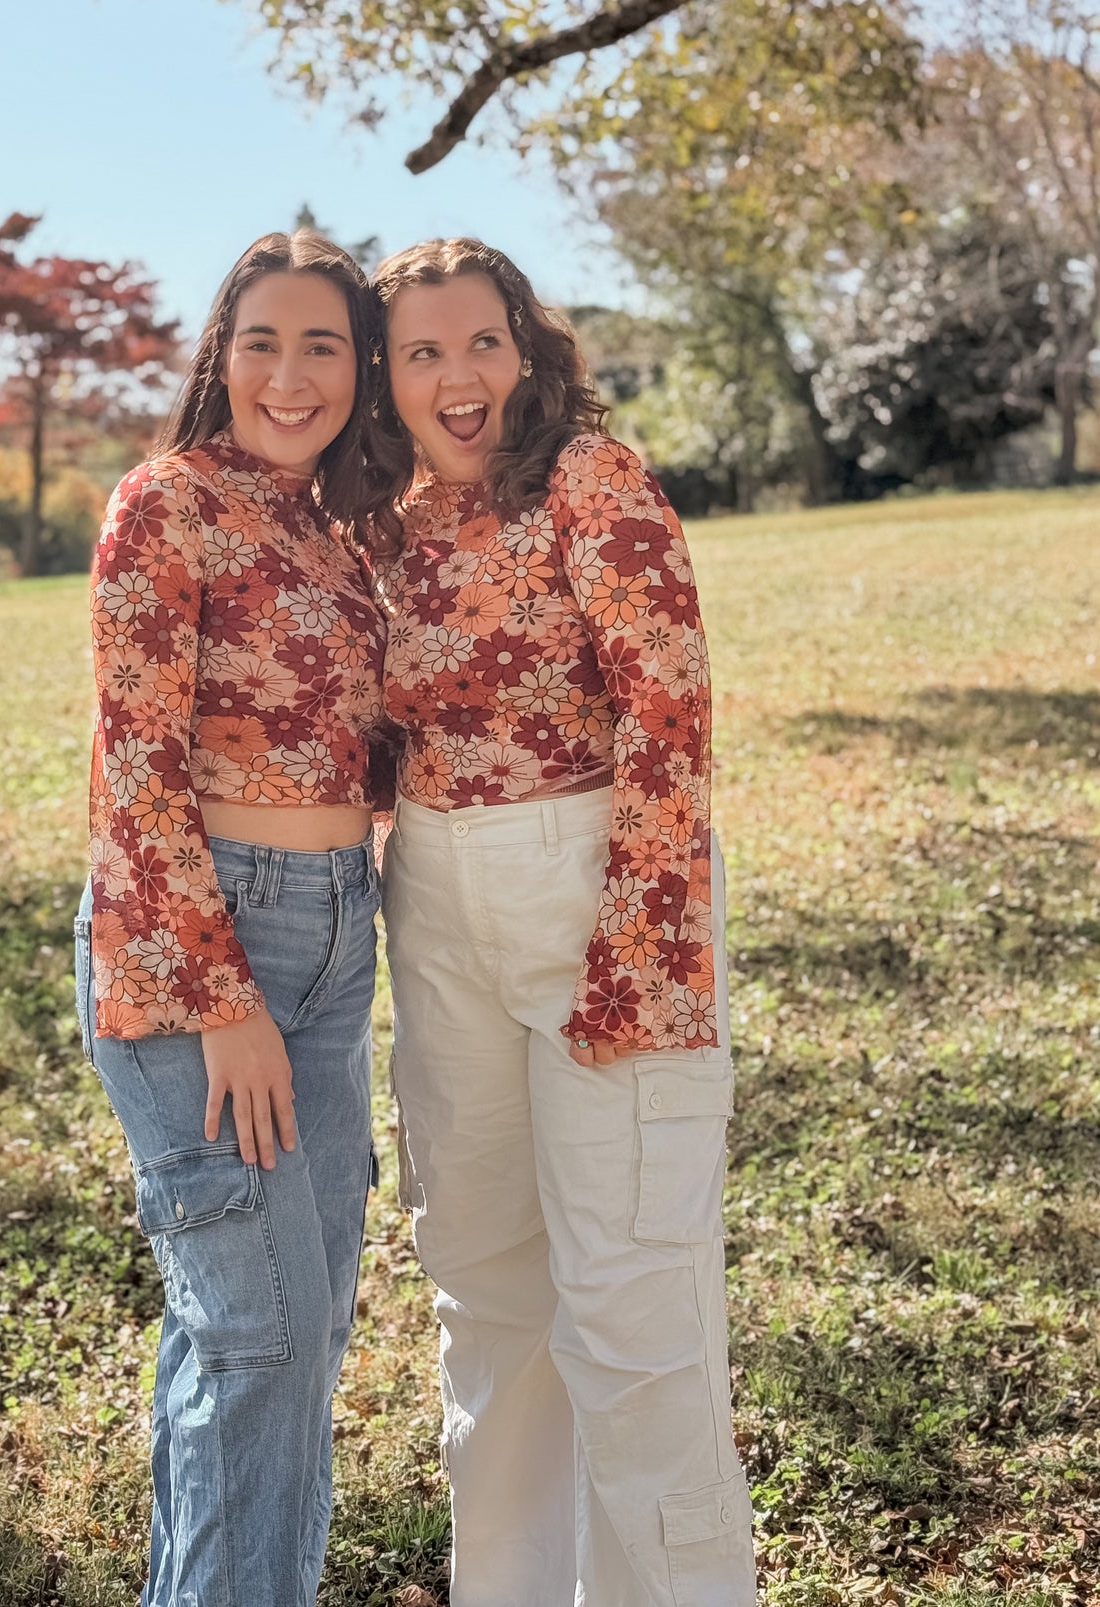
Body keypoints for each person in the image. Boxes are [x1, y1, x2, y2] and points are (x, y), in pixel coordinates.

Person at [360, 237, 755, 1607]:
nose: (456, 376)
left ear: (524, 350)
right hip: (437, 896)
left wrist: (638, 943)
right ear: (387, 375)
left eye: (480, 342)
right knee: (486, 1295)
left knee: (631, 1302)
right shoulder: (387, 517)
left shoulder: (591, 477)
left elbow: (669, 708)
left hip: (597, 878)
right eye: (421, 352)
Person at [74, 230, 388, 1607]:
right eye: (261, 340)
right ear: (220, 355)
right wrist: (223, 1001)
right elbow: (135, 773)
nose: (289, 371)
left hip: (333, 936)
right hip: (203, 950)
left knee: (284, 1337)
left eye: (322, 342)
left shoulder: (335, 530)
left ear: (358, 369)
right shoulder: (167, 503)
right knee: (255, 1338)